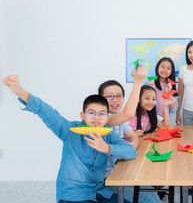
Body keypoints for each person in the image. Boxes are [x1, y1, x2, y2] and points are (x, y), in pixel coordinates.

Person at [2, 75, 136, 203]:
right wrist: (19, 91)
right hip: (73, 195)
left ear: (107, 118)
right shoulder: (69, 130)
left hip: (99, 193)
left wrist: (106, 148)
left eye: (101, 114)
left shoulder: (108, 134)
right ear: (82, 115)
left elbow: (131, 151)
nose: (96, 118)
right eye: (91, 113)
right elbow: (45, 110)